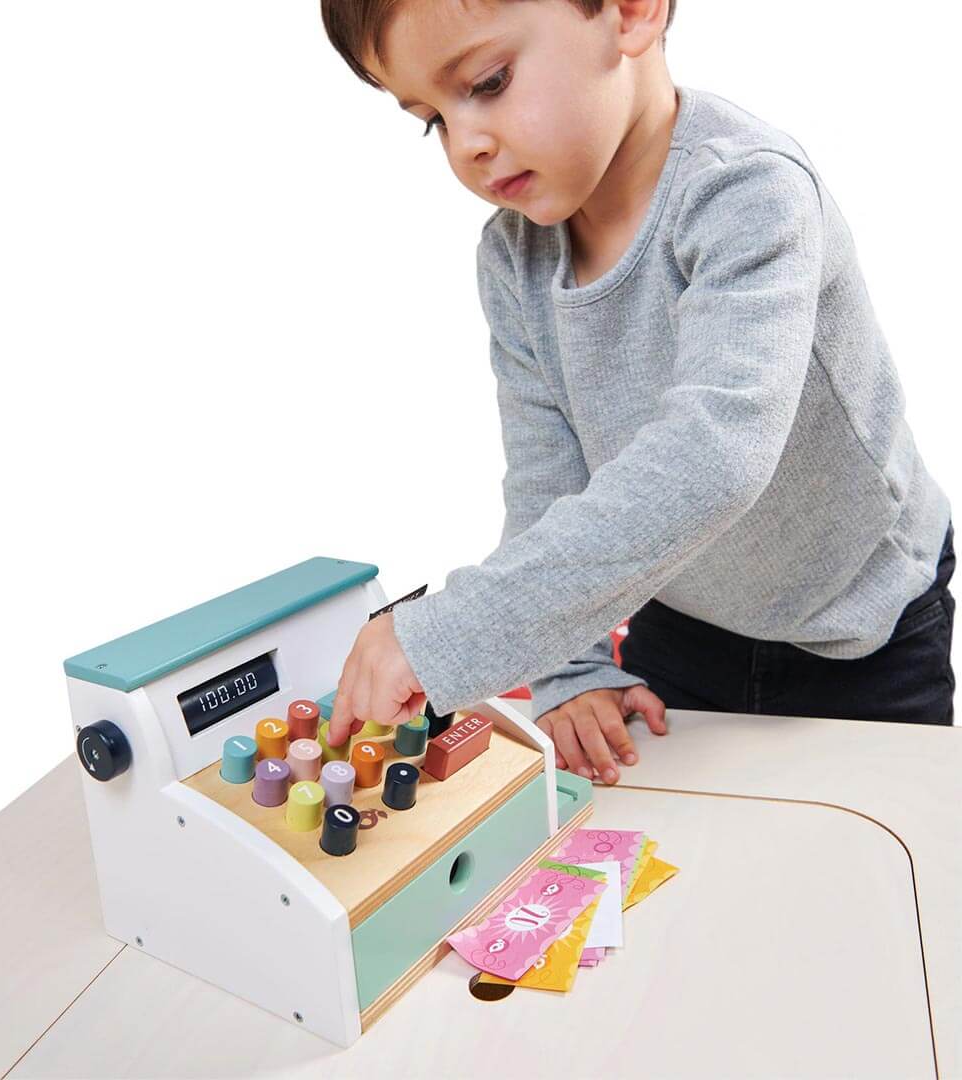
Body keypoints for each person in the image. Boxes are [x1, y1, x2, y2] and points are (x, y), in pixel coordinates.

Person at [319, 0, 955, 783]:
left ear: (629, 12)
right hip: (680, 615)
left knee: (870, 874)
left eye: (487, 82)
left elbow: (716, 455)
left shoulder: (747, 191)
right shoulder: (513, 259)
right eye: (431, 120)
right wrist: (571, 668)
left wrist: (444, 633)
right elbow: (546, 483)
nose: (467, 144)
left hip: (861, 630)